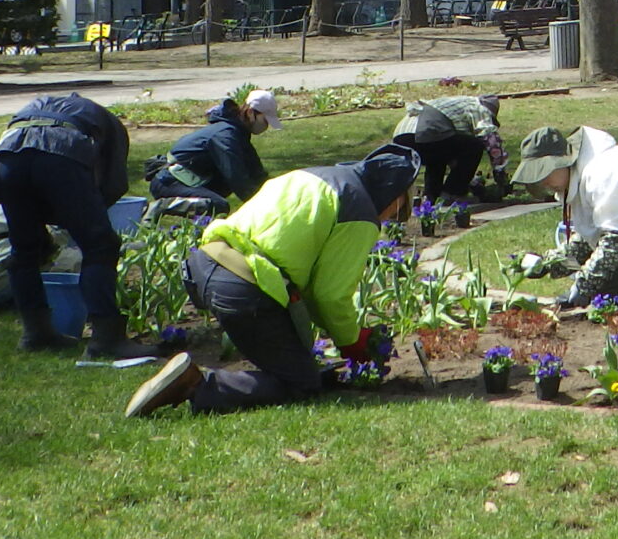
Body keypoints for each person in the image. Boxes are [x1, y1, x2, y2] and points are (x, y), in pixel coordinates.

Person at [124, 141, 421, 417]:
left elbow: (314, 289)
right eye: (400, 209)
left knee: (299, 362)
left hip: (205, 264)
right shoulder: (359, 209)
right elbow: (329, 294)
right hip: (243, 286)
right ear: (394, 195)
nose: (392, 218)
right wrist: (353, 341)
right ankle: (198, 383)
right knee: (300, 384)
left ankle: (203, 376)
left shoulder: (311, 176)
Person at [0, 92, 155, 359]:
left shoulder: (43, 107)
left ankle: (36, 333)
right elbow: (113, 184)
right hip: (60, 151)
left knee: (25, 249)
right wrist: (87, 222)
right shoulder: (112, 128)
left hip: (8, 153)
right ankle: (107, 339)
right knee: (101, 245)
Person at [512, 124, 618, 310]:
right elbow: (589, 238)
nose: (544, 182)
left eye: (546, 172)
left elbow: (613, 239)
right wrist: (546, 264)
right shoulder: (581, 173)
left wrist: (586, 286)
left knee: (609, 298)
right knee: (601, 291)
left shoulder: (603, 171)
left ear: (564, 161)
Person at [144, 86, 278, 211]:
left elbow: (257, 175)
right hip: (168, 182)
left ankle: (196, 228)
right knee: (217, 205)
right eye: (266, 120)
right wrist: (265, 209)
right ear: (250, 113)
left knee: (222, 190)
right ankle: (160, 207)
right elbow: (238, 181)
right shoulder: (225, 136)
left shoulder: (238, 134)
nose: (267, 126)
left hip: (190, 180)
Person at [398, 93, 511, 201]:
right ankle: (452, 193)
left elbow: (455, 160)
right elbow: (492, 141)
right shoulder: (479, 108)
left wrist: (474, 184)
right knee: (474, 146)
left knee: (438, 157)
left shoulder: (455, 107)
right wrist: (499, 172)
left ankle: (431, 196)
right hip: (426, 131)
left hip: (402, 134)